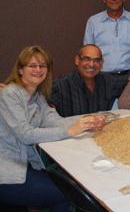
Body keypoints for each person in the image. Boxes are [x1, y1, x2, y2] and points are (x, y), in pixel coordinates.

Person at [0, 46, 105, 211]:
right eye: (32, 66)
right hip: (7, 173)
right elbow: (25, 134)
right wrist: (70, 131)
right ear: (20, 70)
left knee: (70, 186)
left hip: (26, 166)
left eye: (42, 66)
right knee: (67, 193)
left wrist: (87, 120)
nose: (38, 70)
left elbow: (55, 120)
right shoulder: (10, 93)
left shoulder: (38, 96)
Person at [49, 44, 121, 117]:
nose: (91, 64)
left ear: (101, 63)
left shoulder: (109, 81)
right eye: (86, 59)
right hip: (71, 127)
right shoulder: (60, 85)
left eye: (96, 60)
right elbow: (48, 118)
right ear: (77, 60)